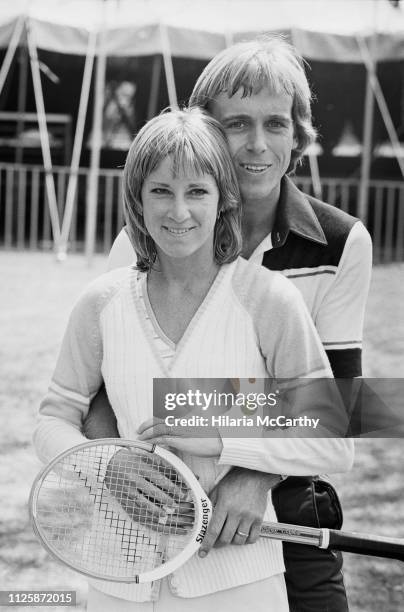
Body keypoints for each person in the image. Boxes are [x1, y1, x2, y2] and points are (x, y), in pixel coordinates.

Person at [84, 36, 372, 612]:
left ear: (298, 137)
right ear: (206, 132)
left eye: (276, 124)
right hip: (162, 492)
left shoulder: (343, 242)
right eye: (236, 123)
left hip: (289, 496)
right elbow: (100, 394)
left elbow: (339, 411)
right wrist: (113, 461)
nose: (257, 145)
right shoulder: (147, 240)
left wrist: (251, 474)